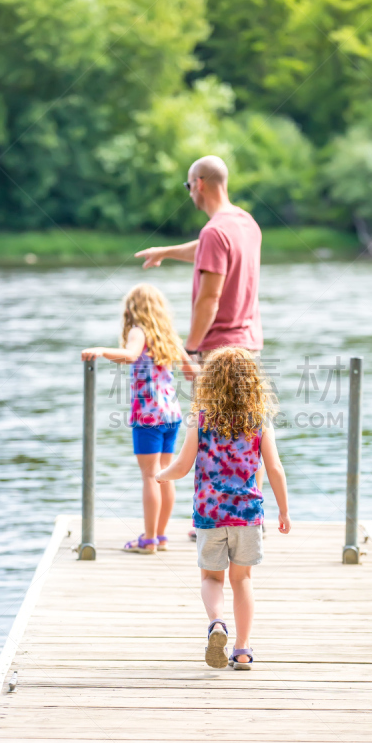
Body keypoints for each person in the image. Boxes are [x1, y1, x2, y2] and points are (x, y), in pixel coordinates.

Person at [135, 155, 265, 539]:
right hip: (249, 347)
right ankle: (249, 514)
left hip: (217, 351)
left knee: (206, 435)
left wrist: (190, 349)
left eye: (188, 185)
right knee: (247, 431)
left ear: (199, 184)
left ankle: (208, 521)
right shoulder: (246, 223)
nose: (189, 191)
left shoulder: (214, 231)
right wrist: (166, 251)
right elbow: (206, 247)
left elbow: (209, 297)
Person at [156, 347, 291, 670]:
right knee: (242, 580)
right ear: (253, 384)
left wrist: (162, 474)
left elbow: (183, 465)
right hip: (247, 514)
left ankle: (217, 623)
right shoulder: (259, 422)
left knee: (211, 578)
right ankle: (243, 650)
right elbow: (274, 469)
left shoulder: (199, 421)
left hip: (210, 514)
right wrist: (283, 511)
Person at [81, 283, 197, 554]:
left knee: (150, 476)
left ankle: (149, 539)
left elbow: (130, 354)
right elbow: (190, 371)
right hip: (171, 413)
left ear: (133, 309)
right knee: (165, 475)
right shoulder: (168, 335)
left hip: (148, 415)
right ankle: (161, 535)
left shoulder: (138, 331)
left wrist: (101, 350)